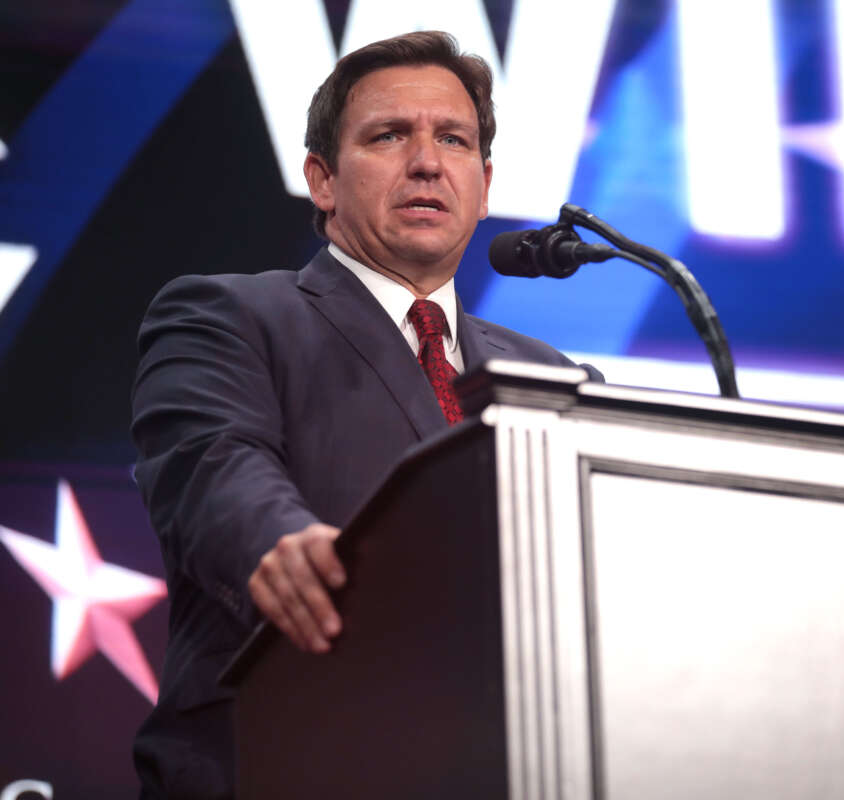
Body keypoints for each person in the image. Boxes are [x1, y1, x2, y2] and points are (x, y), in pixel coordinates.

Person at [129, 31, 598, 799]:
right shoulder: (230, 315)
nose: (426, 161)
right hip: (279, 759)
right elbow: (212, 463)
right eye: (388, 136)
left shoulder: (553, 377)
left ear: (483, 184)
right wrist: (279, 542)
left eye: (454, 139)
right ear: (323, 179)